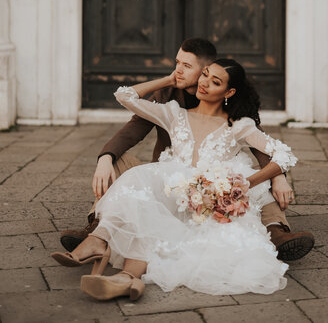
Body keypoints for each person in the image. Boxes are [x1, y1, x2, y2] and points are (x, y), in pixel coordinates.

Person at [51, 59, 298, 298]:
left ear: (229, 91)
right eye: (204, 74)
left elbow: (284, 155)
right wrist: (170, 79)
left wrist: (248, 182)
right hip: (172, 190)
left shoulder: (239, 126)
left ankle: (122, 272)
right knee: (141, 190)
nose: (204, 83)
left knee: (150, 215)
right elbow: (124, 96)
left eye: (215, 82)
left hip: (205, 201)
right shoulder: (174, 114)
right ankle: (108, 253)